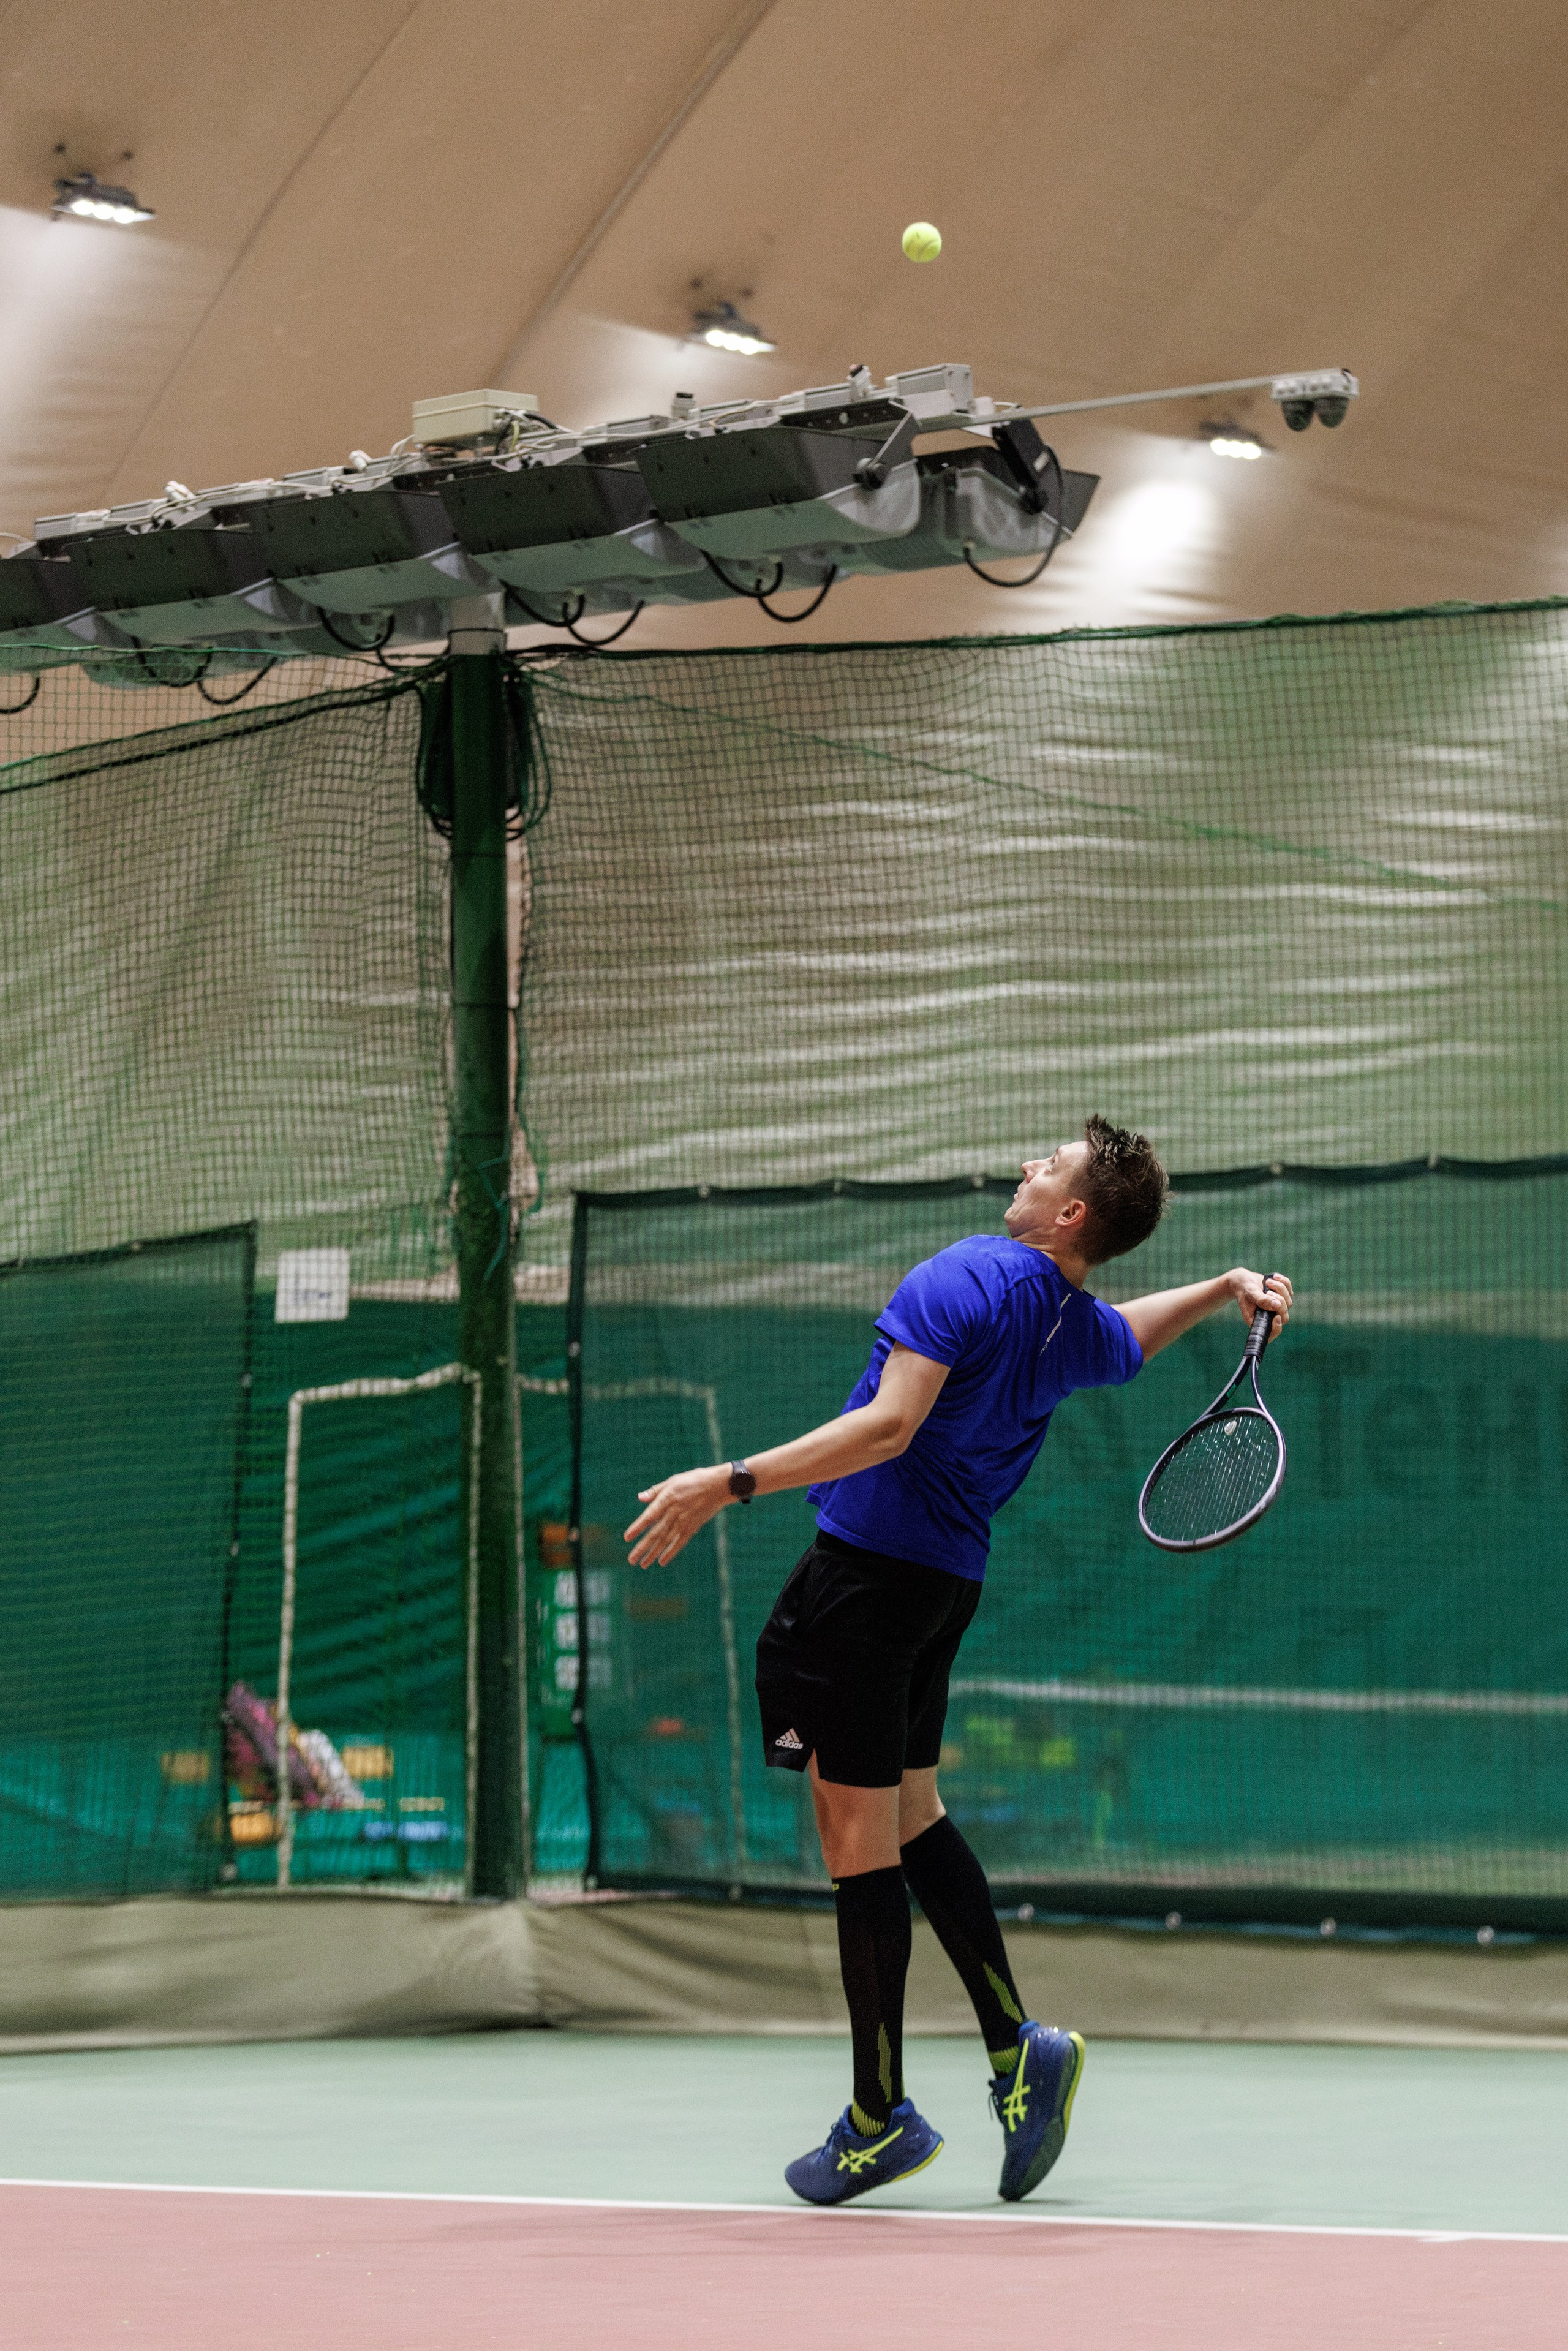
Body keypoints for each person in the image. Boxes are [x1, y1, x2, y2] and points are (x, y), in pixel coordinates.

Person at [625, 1117, 1292, 2206]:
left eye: (1053, 1166)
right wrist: (1222, 1286)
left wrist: (727, 1480)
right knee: (914, 1814)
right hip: (943, 1587)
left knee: (856, 1841)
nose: (1031, 1165)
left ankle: (878, 2117)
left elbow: (889, 1427)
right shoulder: (1065, 1319)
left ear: (1072, 1212)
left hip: (864, 1578)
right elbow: (1126, 1338)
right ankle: (1016, 2049)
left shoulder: (964, 1276)